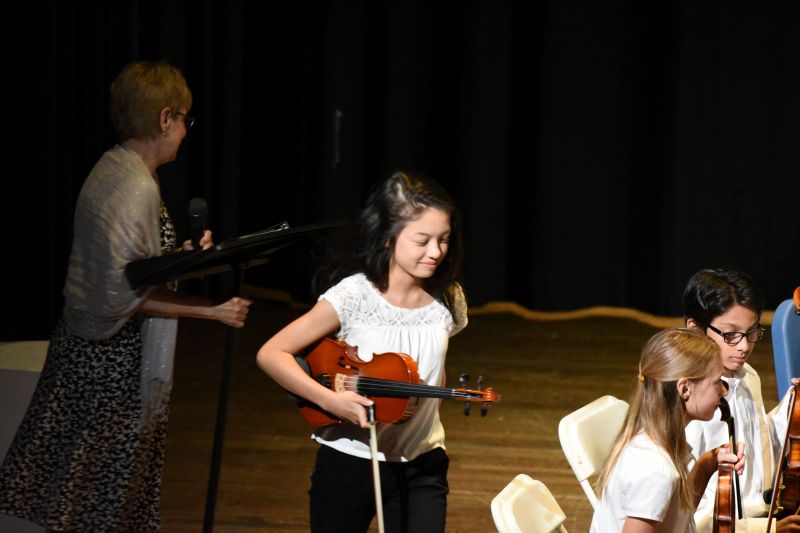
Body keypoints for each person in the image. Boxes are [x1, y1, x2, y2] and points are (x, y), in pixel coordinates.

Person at [0, 60, 251, 532]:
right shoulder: (133, 185)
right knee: (101, 501)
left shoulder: (118, 167)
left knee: (97, 497)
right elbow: (120, 296)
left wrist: (184, 256)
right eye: (184, 120)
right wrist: (212, 311)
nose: (185, 131)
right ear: (164, 119)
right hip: (107, 368)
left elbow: (132, 265)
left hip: (92, 358)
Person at [256, 171, 467, 533]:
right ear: (388, 238)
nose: (436, 252)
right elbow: (271, 353)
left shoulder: (448, 298)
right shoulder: (353, 296)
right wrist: (331, 401)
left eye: (443, 239)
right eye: (422, 240)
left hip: (422, 464)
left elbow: (436, 371)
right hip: (350, 462)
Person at [591, 328, 744, 533]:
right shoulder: (655, 470)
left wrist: (708, 463)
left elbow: (676, 521)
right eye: (717, 382)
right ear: (685, 389)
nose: (724, 390)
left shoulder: (656, 440)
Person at [683, 268, 800, 532]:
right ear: (696, 329)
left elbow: (761, 445)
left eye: (751, 333)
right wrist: (765, 530)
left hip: (763, 512)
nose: (744, 346)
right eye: (731, 335)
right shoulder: (692, 403)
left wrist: (794, 405)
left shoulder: (749, 376)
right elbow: (689, 511)